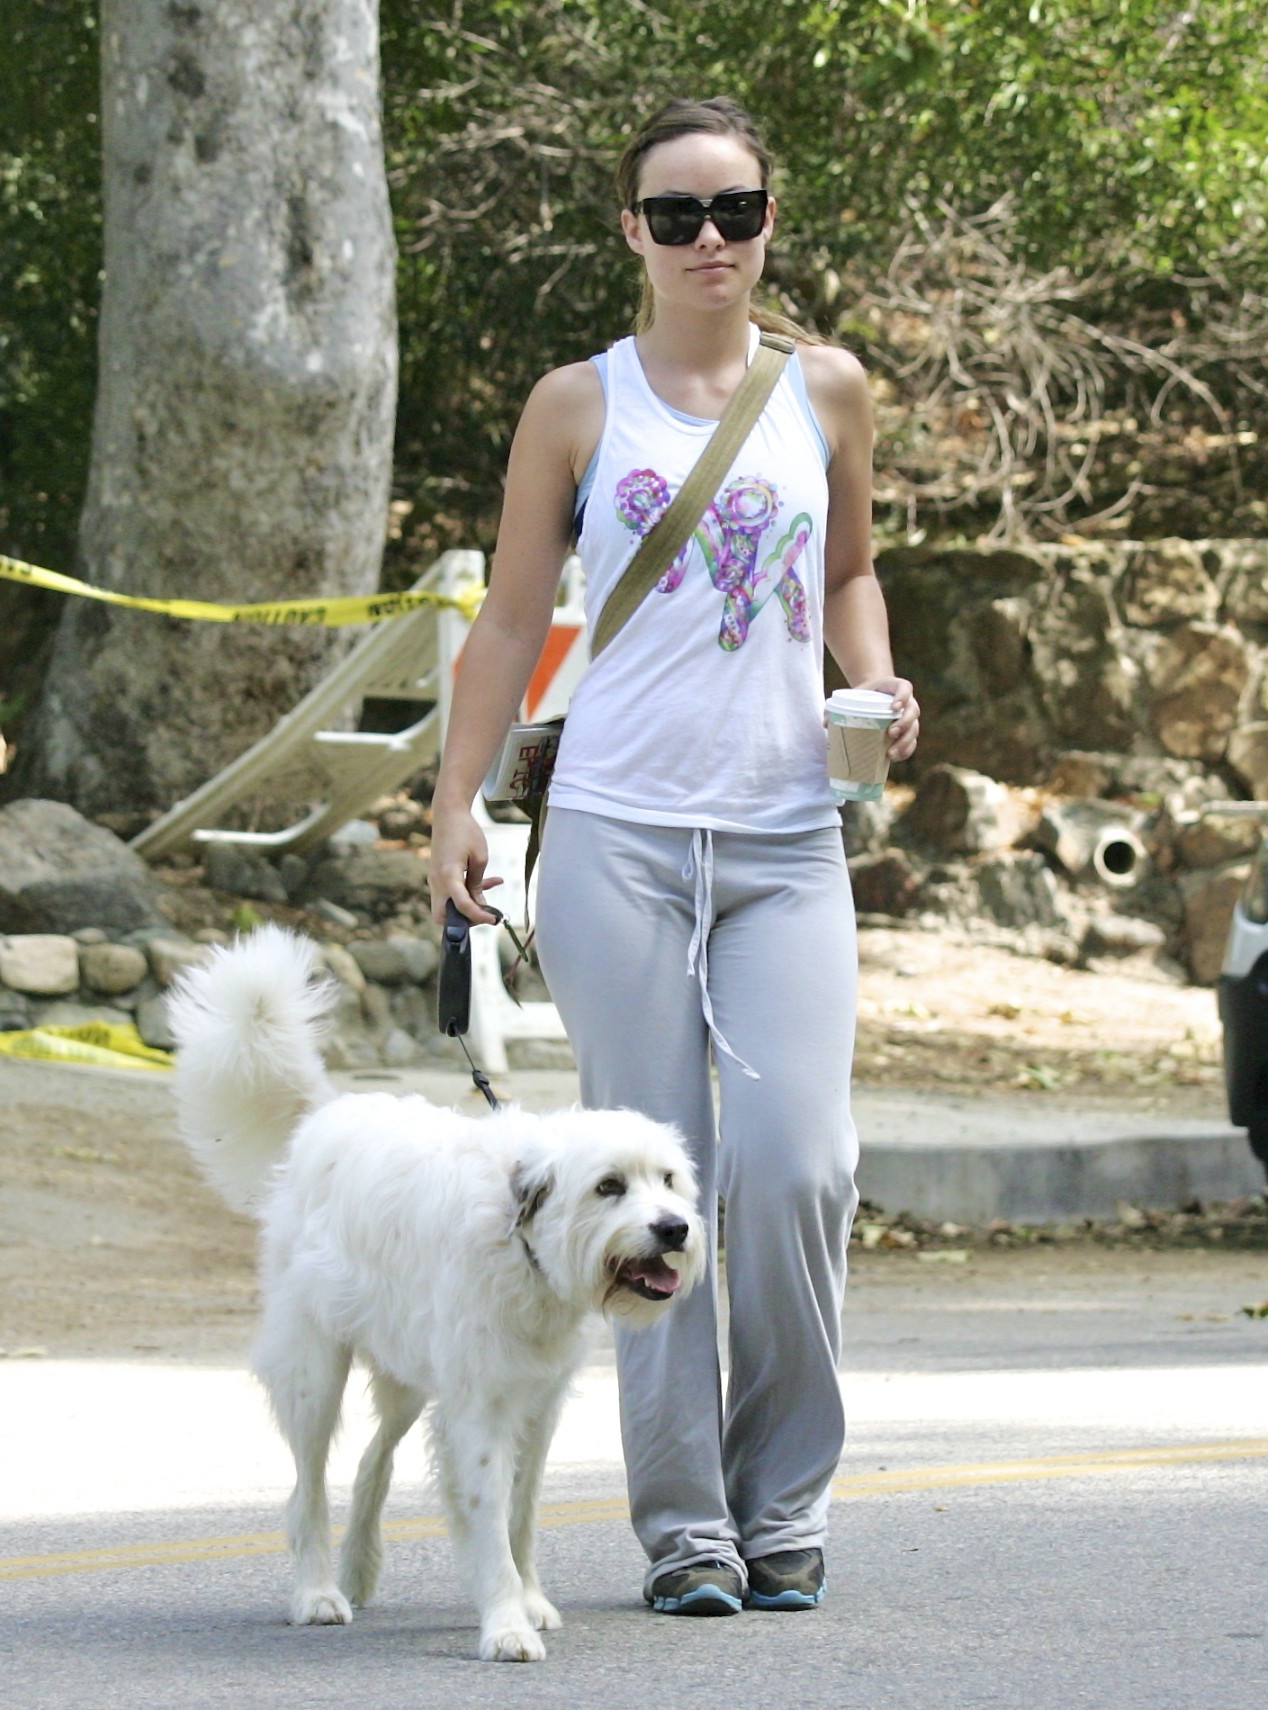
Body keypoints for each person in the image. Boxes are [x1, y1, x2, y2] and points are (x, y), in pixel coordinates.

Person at [428, 95, 920, 1618]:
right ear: (629, 231)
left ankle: (788, 1497)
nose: (711, 240)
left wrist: (879, 679)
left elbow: (848, 572)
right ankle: (689, 1524)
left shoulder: (827, 391)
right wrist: (458, 805)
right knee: (633, 1193)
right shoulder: (577, 403)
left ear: (772, 218)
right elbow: (514, 617)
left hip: (786, 835)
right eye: (677, 214)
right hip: (618, 839)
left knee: (792, 1167)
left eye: (737, 211)